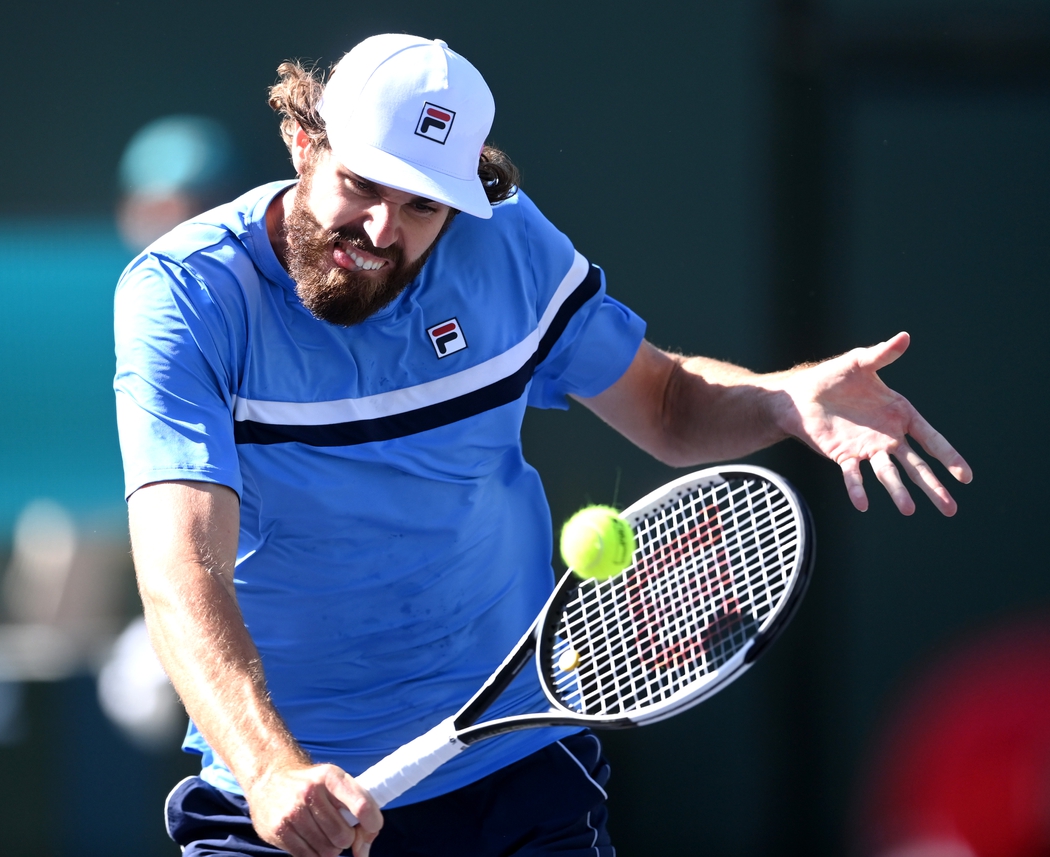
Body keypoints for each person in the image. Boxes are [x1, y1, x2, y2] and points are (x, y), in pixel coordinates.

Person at [113, 34, 972, 857]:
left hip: (512, 774)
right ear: (305, 144)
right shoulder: (185, 297)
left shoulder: (508, 246)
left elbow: (667, 405)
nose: (383, 230)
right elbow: (183, 564)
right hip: (278, 793)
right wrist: (272, 768)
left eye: (422, 204)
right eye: (364, 184)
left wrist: (783, 397)